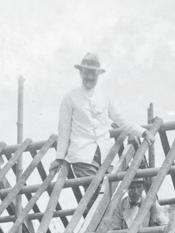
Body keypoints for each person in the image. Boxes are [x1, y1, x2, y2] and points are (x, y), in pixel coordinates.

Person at [52, 52, 153, 182]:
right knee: (94, 192)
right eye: (86, 72)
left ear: (98, 75)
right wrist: (59, 158)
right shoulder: (70, 97)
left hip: (106, 155)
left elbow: (121, 120)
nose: (89, 77)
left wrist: (143, 132)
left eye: (93, 73)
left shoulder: (104, 97)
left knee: (109, 191)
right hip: (82, 155)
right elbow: (64, 129)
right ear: (80, 73)